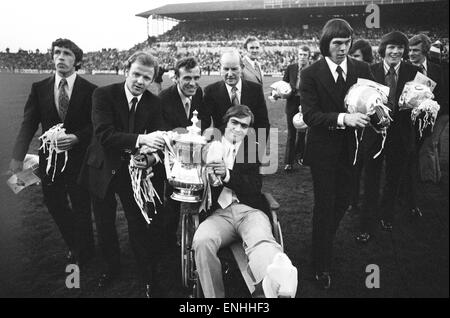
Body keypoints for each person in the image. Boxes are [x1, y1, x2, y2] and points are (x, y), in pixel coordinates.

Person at [78, 51, 167, 298]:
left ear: (152, 79)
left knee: (139, 223)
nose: (140, 80)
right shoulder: (103, 95)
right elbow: (104, 135)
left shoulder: (154, 102)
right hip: (102, 168)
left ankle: (148, 276)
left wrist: (150, 153)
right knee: (105, 224)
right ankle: (112, 268)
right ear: (126, 70)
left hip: (133, 172)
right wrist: (142, 139)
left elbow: (158, 140)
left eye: (146, 77)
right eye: (136, 74)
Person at [192, 105, 298, 298]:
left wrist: (227, 175)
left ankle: (275, 284)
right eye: (234, 122)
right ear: (226, 123)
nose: (238, 129)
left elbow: (253, 187)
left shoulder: (253, 149)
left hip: (249, 211)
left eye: (244, 126)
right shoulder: (208, 146)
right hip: (218, 215)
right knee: (201, 241)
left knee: (261, 241)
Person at [299, 19, 373, 289]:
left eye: (347, 43)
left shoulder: (363, 68)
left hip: (353, 150)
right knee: (325, 203)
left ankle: (322, 240)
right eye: (337, 43)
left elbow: (373, 102)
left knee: (343, 201)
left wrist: (380, 114)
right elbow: (310, 115)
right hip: (323, 151)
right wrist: (344, 118)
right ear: (326, 44)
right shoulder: (310, 73)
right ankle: (320, 263)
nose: (343, 48)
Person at [10, 38, 96, 267]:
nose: (60, 57)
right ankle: (75, 244)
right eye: (57, 52)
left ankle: (86, 252)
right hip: (49, 162)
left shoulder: (91, 90)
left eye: (67, 53)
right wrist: (17, 157)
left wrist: (77, 137)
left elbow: (96, 126)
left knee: (81, 207)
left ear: (76, 60)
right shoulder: (39, 88)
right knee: (55, 205)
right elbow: (28, 124)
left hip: (79, 160)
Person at [357, 31, 420, 244]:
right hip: (375, 134)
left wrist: (421, 105)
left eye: (400, 47)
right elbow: (361, 101)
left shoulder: (413, 71)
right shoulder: (369, 70)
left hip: (400, 135)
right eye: (391, 47)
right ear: (383, 49)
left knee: (394, 180)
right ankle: (366, 224)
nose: (396, 51)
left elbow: (420, 102)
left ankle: (386, 216)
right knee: (371, 181)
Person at [159, 56, 204, 249]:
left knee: (199, 194)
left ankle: (198, 235)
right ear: (176, 77)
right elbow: (162, 134)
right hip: (169, 156)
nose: (192, 83)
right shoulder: (163, 99)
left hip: (192, 155)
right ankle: (167, 241)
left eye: (196, 77)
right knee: (170, 201)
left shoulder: (199, 93)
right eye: (187, 78)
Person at [202, 49, 270, 141]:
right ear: (220, 68)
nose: (230, 74)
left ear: (242, 68)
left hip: (248, 147)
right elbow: (203, 122)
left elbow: (263, 123)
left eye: (234, 69)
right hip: (222, 147)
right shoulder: (211, 91)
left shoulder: (255, 90)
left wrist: (256, 147)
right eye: (226, 69)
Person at [408, 34, 449, 184]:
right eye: (410, 50)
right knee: (426, 145)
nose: (411, 53)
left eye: (416, 50)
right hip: (417, 115)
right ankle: (434, 175)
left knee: (429, 144)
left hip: (441, 113)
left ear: (425, 51)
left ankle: (429, 181)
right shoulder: (406, 69)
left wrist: (433, 109)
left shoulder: (438, 69)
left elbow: (444, 93)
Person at [348, 39, 374, 210]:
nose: (352, 59)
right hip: (351, 129)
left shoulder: (374, 73)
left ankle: (369, 202)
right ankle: (353, 200)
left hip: (371, 130)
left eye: (356, 56)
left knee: (371, 169)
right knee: (353, 166)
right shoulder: (348, 74)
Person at [282, 45, 311, 172]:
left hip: (306, 103)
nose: (302, 57)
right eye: (300, 54)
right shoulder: (291, 68)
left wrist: (305, 103)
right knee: (291, 133)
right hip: (292, 103)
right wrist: (282, 92)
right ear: (297, 55)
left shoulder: (312, 69)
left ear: (308, 57)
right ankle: (288, 162)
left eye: (305, 55)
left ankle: (300, 156)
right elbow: (284, 84)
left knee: (303, 132)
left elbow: (314, 89)